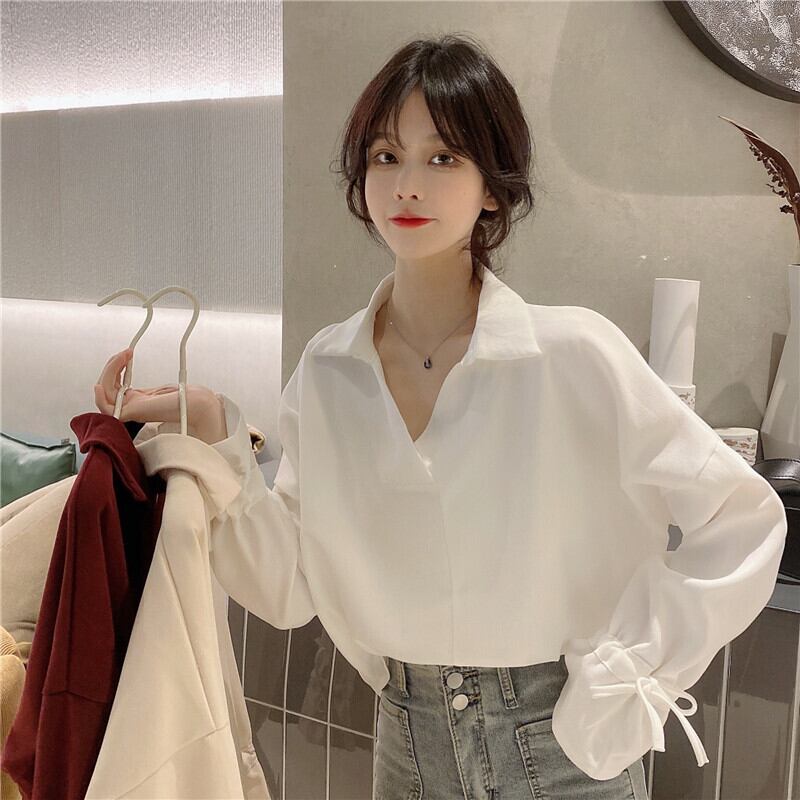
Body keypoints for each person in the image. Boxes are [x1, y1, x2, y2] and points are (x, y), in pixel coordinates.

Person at [94, 33, 786, 800]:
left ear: (492, 186)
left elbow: (742, 518)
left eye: (443, 157)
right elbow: (287, 584)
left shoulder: (573, 354)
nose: (407, 185)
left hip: (559, 747)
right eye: (386, 156)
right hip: (408, 743)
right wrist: (214, 430)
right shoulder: (329, 371)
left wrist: (628, 676)